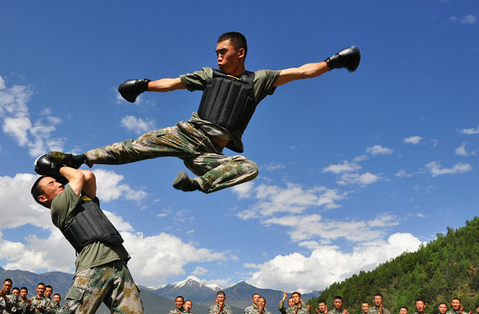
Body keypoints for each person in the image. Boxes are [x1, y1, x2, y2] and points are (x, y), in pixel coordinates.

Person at [44, 32, 360, 194]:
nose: (219, 57)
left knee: (248, 168)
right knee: (136, 148)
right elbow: (173, 83)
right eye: (217, 53)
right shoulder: (210, 75)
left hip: (208, 156)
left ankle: (197, 185)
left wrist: (335, 61)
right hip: (188, 134)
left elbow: (303, 72)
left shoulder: (259, 80)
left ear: (241, 52)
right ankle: (78, 159)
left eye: (223, 52)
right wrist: (144, 85)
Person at [29, 166, 145, 314]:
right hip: (92, 268)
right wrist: (60, 167)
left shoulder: (83, 200)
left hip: (119, 265)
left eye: (58, 180)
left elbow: (89, 175)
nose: (58, 183)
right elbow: (78, 176)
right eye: (51, 183)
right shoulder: (58, 206)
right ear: (43, 198)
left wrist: (70, 163)